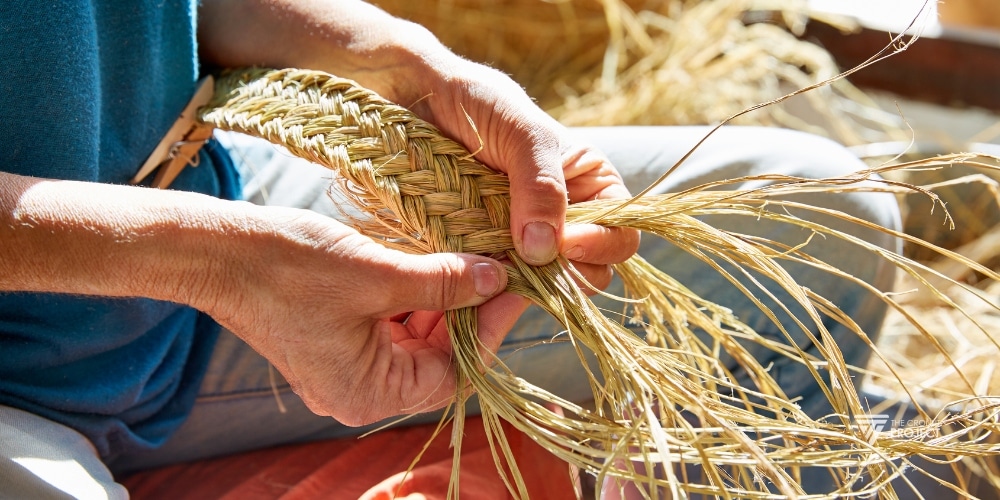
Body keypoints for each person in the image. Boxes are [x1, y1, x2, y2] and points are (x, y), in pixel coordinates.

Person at [0, 0, 903, 497]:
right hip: (27, 369)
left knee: (803, 218)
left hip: (192, 198)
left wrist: (414, 65)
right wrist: (219, 263)